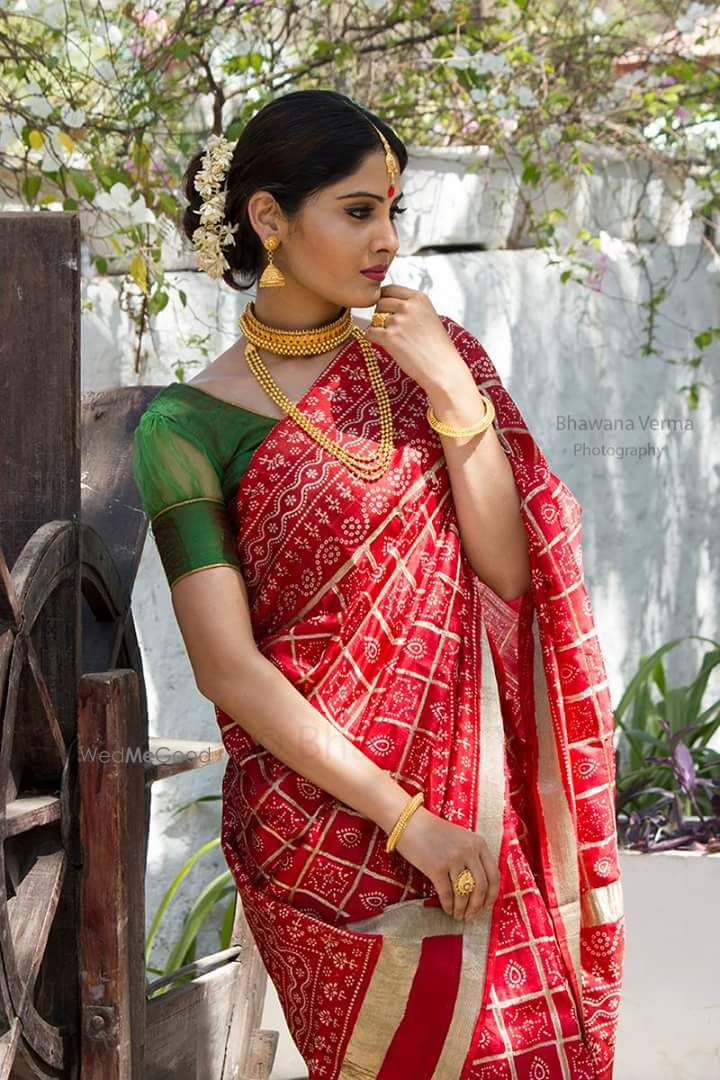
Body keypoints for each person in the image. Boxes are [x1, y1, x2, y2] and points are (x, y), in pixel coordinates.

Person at [132, 89, 624, 1080]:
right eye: (357, 211)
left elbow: (509, 574)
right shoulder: (184, 426)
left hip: (468, 799)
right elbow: (228, 668)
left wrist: (450, 391)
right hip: (321, 826)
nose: (387, 240)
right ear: (270, 219)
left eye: (395, 211)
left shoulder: (433, 365)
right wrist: (409, 821)